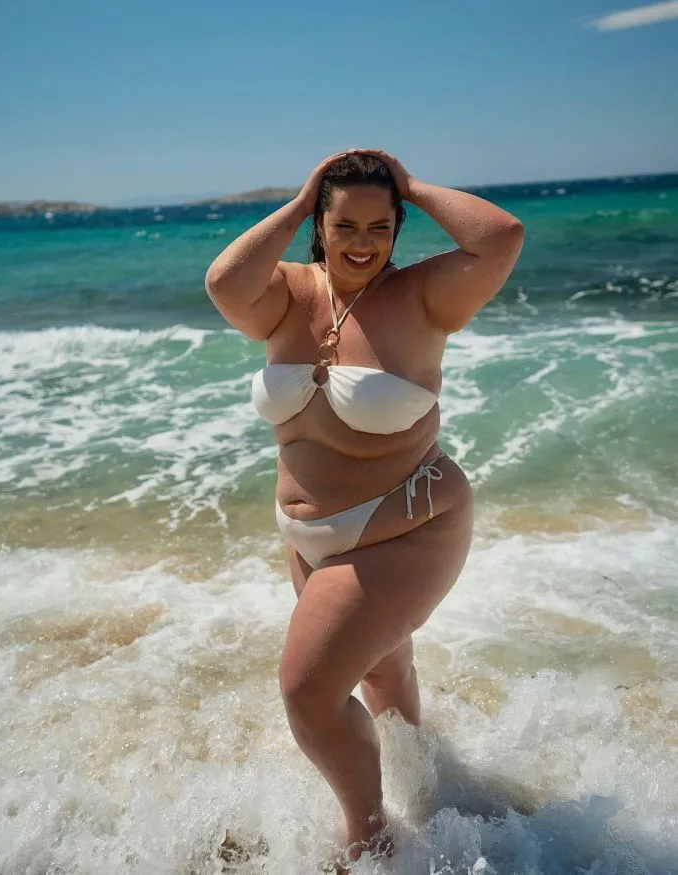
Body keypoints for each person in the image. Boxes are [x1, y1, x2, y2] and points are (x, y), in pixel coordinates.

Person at [205, 149, 524, 865]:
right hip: (306, 536)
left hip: (408, 526)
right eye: (344, 224)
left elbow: (501, 236)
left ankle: (371, 842)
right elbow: (223, 281)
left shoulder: (424, 297)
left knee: (308, 692)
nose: (361, 243)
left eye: (380, 227)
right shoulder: (286, 294)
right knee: (380, 670)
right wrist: (300, 199)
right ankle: (431, 790)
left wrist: (408, 185)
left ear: (397, 228)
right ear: (318, 225)